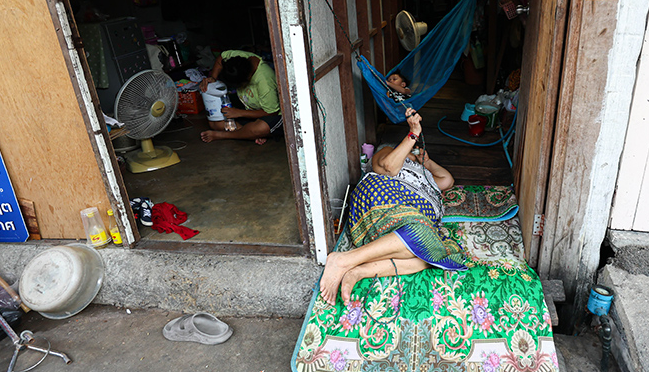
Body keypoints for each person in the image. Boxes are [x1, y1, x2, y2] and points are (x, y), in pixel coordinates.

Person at [319, 108, 464, 306]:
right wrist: (413, 135)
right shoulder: (389, 155)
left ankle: (358, 270)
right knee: (421, 236)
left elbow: (447, 180)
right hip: (383, 201)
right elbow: (389, 167)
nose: (412, 154)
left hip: (408, 222)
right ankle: (341, 260)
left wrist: (427, 163)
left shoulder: (425, 177)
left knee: (433, 254)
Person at [199, 50, 283, 144]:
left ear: (247, 80)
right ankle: (248, 134)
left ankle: (223, 135)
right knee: (215, 124)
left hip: (271, 114)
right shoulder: (238, 60)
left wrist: (240, 113)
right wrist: (213, 78)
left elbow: (271, 112)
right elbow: (221, 58)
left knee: (260, 128)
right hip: (249, 109)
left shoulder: (265, 82)